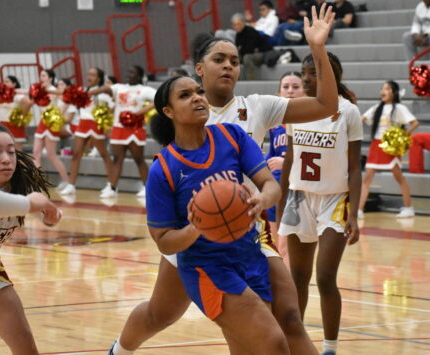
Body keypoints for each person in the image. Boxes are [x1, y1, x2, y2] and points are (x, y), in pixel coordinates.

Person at [108, 5, 338, 355]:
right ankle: (120, 350)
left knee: (286, 319)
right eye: (219, 58)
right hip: (196, 232)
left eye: (234, 59)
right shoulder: (183, 114)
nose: (229, 64)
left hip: (246, 228)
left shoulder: (255, 107)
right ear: (200, 69)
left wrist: (318, 48)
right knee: (162, 313)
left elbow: (324, 105)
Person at [148, 75, 288, 354]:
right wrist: (196, 228)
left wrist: (262, 198)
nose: (198, 97)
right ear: (168, 111)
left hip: (249, 254)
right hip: (207, 268)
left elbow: (271, 184)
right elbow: (164, 241)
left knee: (247, 349)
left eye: (199, 91)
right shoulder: (163, 168)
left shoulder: (231, 136)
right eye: (185, 95)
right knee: (273, 342)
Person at [278, 52, 362, 355]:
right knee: (297, 278)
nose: (307, 78)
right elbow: (289, 158)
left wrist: (354, 212)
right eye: (305, 73)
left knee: (325, 276)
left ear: (330, 75)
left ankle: (330, 347)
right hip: (299, 197)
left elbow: (355, 167)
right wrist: (280, 203)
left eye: (313, 73)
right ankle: (295, 342)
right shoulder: (295, 110)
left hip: (335, 199)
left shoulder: (348, 111)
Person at [0, 123, 62, 355]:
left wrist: (51, 216)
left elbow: (50, 218)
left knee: (27, 349)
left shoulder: (19, 187)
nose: (6, 159)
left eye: (11, 151)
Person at [91, 65, 156, 199]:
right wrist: (93, 92)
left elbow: (158, 99)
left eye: (132, 72)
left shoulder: (144, 90)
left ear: (139, 76)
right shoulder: (119, 87)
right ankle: (112, 188)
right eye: (128, 71)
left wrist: (140, 112)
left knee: (139, 159)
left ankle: (148, 187)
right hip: (118, 128)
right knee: (117, 159)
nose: (129, 74)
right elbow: (107, 89)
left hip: (135, 128)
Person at [359, 80, 419, 219]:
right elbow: (362, 118)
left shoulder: (399, 108)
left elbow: (415, 123)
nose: (383, 91)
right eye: (382, 88)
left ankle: (409, 208)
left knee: (399, 177)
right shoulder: (376, 108)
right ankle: (359, 210)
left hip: (390, 147)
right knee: (367, 178)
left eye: (387, 88)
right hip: (376, 145)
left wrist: (403, 135)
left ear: (394, 92)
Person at [266, 71, 305, 266]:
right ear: (278, 92)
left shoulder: (308, 123)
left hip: (297, 191)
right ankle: (277, 292)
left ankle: (289, 294)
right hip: (275, 190)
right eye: (286, 87)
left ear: (305, 92)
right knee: (274, 247)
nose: (290, 91)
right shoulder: (275, 125)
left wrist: (287, 163)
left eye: (296, 87)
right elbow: (270, 155)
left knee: (285, 247)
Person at [60, 68, 114, 196]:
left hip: (96, 125)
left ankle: (111, 185)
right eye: (88, 74)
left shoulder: (104, 94)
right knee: (76, 154)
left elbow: (113, 107)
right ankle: (71, 185)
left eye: (93, 75)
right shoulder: (83, 91)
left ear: (99, 78)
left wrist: (105, 120)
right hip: (82, 124)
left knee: (104, 154)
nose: (89, 77)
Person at [31, 69, 70, 190]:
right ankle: (38, 181)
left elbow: (64, 93)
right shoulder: (39, 90)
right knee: (35, 153)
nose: (41, 77)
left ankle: (66, 181)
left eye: (44, 75)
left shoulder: (53, 89)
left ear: (50, 78)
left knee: (51, 155)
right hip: (42, 123)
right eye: (40, 75)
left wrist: (43, 90)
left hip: (51, 123)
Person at [232, 13, 275, 80]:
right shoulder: (238, 35)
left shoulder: (250, 31)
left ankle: (251, 80)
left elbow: (249, 49)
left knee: (247, 57)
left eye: (238, 24)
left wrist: (242, 49)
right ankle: (235, 80)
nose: (237, 26)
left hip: (263, 53)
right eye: (235, 25)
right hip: (252, 53)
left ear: (243, 23)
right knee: (234, 58)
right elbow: (240, 48)